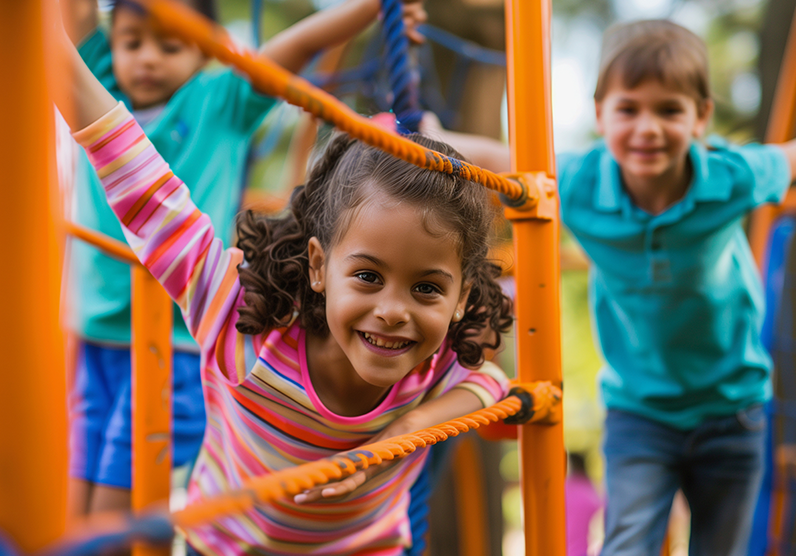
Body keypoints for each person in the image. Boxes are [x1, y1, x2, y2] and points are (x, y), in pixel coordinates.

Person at [55, 11, 513, 553]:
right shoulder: (241, 322)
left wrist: (403, 433)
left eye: (427, 288)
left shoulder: (436, 361)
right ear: (319, 266)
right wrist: (41, 43)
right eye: (367, 276)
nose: (394, 309)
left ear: (461, 299)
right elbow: (148, 194)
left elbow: (489, 384)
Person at [556, 20, 796, 556]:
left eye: (669, 110)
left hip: (733, 408)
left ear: (701, 117)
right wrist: (425, 135)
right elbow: (503, 166)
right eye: (629, 108)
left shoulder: (728, 176)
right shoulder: (580, 185)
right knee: (628, 545)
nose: (648, 128)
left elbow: (789, 157)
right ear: (600, 113)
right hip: (640, 411)